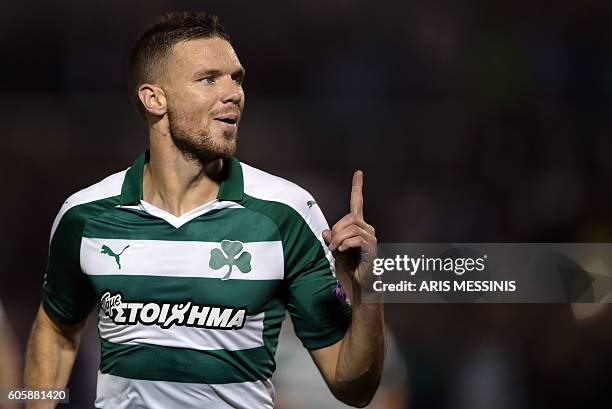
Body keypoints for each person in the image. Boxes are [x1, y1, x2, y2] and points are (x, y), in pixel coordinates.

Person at [25, 11, 384, 409]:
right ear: (154, 98)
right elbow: (56, 330)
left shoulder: (288, 214)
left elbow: (353, 387)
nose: (233, 93)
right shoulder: (84, 215)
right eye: (209, 79)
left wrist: (370, 289)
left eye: (237, 78)